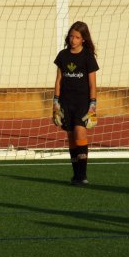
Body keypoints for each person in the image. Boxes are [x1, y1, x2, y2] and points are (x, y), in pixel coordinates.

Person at [53, 21, 99, 185]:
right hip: (66, 103)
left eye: (77, 37)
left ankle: (83, 175)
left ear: (83, 39)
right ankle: (75, 175)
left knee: (80, 133)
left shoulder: (87, 56)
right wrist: (56, 104)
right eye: (71, 36)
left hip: (82, 103)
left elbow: (93, 84)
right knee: (71, 137)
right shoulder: (62, 56)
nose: (73, 40)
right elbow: (58, 81)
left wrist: (93, 105)